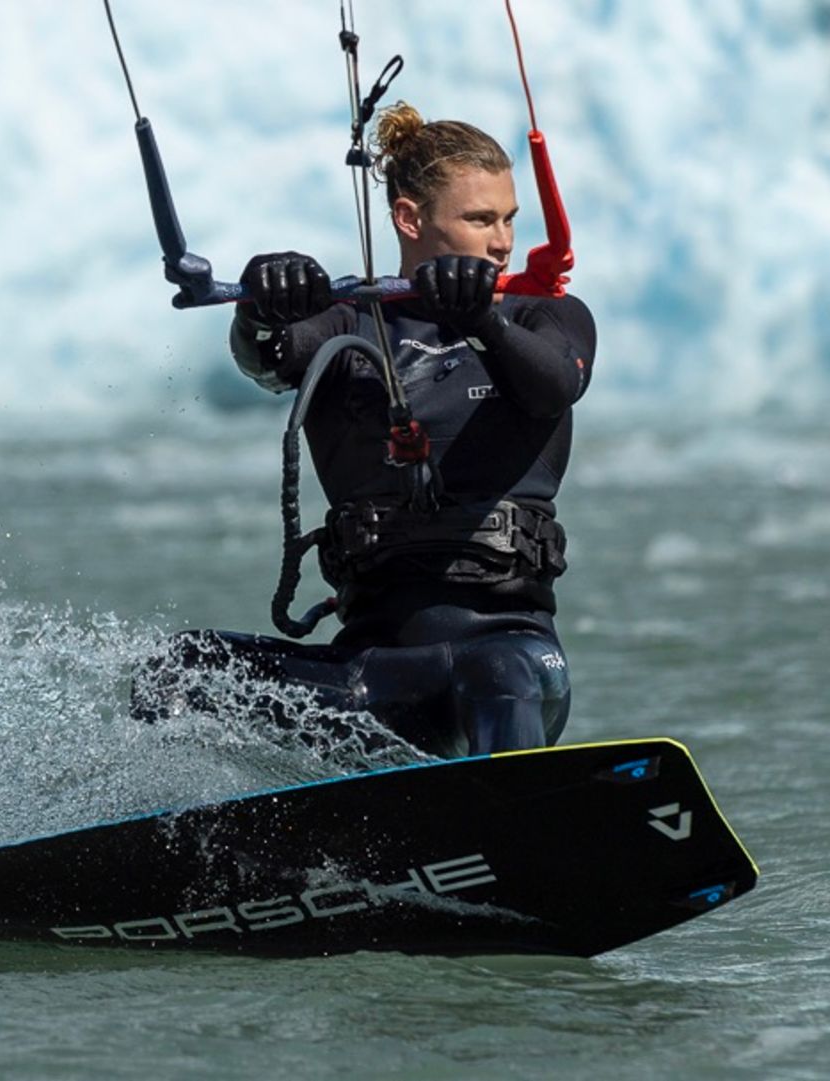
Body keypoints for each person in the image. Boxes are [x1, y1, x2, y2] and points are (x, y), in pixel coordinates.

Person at [135, 102, 596, 759]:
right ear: (410, 219)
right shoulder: (347, 323)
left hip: (513, 658)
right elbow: (266, 357)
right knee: (180, 667)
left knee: (497, 674)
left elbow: (554, 384)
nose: (501, 241)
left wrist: (482, 323)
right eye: (480, 219)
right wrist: (263, 311)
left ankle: (515, 826)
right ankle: (189, 843)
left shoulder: (543, 316)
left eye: (509, 220)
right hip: (369, 678)